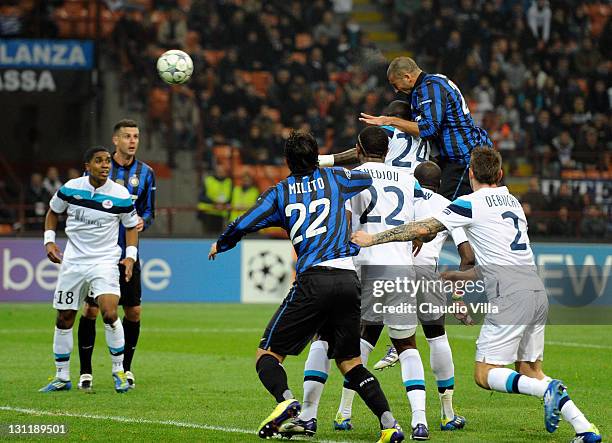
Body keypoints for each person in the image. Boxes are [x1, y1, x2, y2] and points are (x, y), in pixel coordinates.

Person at [352, 147, 601, 443]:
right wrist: (459, 275)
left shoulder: (469, 203)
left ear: (470, 174)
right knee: (530, 369)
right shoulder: (513, 202)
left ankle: (547, 390)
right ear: (500, 174)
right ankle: (585, 428)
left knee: (484, 374)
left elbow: (423, 226)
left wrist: (373, 238)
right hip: (535, 291)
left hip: (509, 297)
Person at [209, 131, 405, 443]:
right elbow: (365, 179)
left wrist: (223, 242)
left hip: (314, 280)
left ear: (287, 161)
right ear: (316, 157)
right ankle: (390, 425)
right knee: (350, 363)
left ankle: (287, 402)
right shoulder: (338, 179)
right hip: (347, 280)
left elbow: (245, 221)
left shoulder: (280, 192)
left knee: (267, 355)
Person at [283, 126, 432, 440]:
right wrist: (419, 236)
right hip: (400, 267)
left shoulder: (348, 178)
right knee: (406, 345)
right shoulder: (408, 178)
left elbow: (340, 222)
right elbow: (426, 226)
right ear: (388, 150)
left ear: (360, 149)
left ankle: (309, 417)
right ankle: (420, 421)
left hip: (359, 267)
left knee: (324, 337)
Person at [370, 161, 475, 432]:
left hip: (393, 271)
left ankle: (343, 412)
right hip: (427, 275)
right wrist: (458, 296)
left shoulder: (404, 195)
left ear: (414, 180)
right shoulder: (446, 205)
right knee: (436, 337)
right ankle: (447, 414)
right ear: (439, 184)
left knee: (368, 336)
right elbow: (467, 257)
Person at [39, 146, 139, 394]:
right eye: (99, 161)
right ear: (87, 166)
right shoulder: (71, 188)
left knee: (108, 311)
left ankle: (118, 370)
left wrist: (130, 257)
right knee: (64, 318)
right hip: (73, 262)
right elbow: (53, 212)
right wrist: (49, 240)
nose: (105, 165)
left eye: (107, 161)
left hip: (104, 261)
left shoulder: (120, 194)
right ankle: (62, 376)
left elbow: (131, 226)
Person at [77, 119, 156, 391]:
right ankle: (85, 372)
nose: (132, 141)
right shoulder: (100, 167)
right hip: (98, 254)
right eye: (127, 136)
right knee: (91, 310)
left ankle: (126, 368)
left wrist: (144, 220)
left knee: (133, 311)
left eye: (136, 136)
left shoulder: (146, 173)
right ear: (115, 140)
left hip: (129, 255)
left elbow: (149, 212)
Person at [359, 57, 492, 200]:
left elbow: (429, 128)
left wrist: (390, 120)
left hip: (462, 159)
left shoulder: (429, 88)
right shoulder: (432, 83)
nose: (396, 90)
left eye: (395, 84)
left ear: (407, 77)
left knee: (443, 212)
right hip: (453, 159)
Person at [319, 100, 431, 175]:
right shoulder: (427, 136)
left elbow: (366, 150)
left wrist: (325, 160)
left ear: (388, 116)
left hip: (392, 180)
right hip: (419, 187)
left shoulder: (389, 129)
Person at [197, 162, 232, 234]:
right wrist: (214, 203)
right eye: (219, 171)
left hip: (222, 214)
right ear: (215, 171)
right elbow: (201, 197)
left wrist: (225, 204)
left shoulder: (229, 182)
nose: (220, 173)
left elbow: (231, 197)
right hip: (208, 213)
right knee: (208, 235)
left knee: (221, 237)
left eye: (223, 171)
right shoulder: (208, 180)